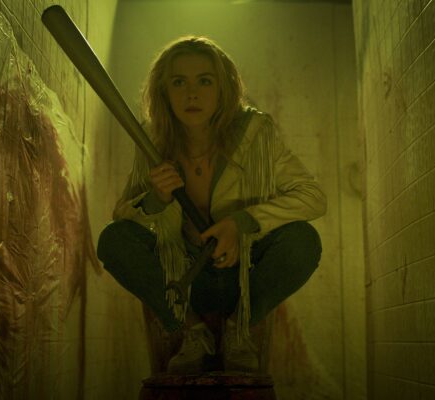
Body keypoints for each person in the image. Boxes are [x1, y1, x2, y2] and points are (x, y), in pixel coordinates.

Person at [97, 36, 326, 374]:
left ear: (223, 89)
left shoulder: (256, 135)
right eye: (179, 82)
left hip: (244, 278)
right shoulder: (151, 140)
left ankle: (239, 329)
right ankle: (191, 332)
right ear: (164, 91)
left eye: (204, 81)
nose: (192, 94)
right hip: (185, 282)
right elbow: (123, 215)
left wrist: (242, 222)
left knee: (303, 240)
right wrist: (156, 199)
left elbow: (313, 197)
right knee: (113, 240)